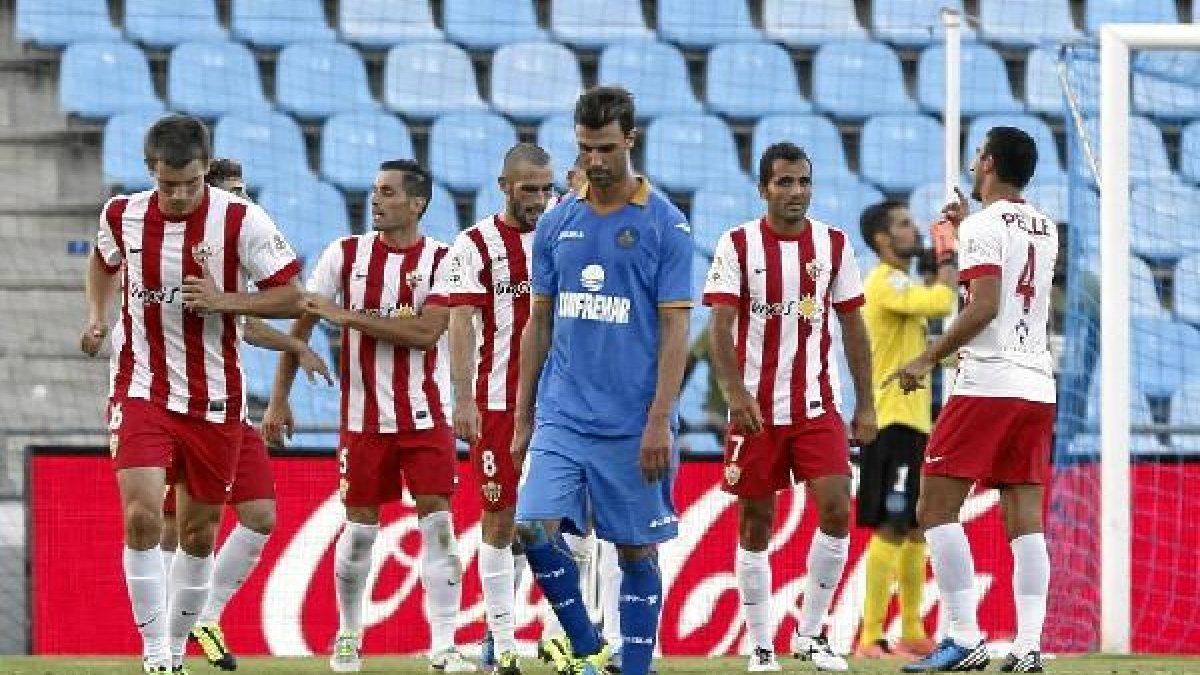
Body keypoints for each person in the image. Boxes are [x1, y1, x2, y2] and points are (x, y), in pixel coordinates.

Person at [80, 114, 303, 674]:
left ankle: (176, 650)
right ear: (150, 170)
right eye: (167, 184)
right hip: (140, 387)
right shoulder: (121, 214)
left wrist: (227, 301)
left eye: (191, 183)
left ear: (206, 168)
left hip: (216, 399)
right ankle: (156, 655)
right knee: (141, 518)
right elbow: (102, 262)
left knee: (199, 534)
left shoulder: (242, 221)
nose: (179, 196)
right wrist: (96, 316)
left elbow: (292, 298)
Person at [263, 159, 475, 673]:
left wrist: (349, 317)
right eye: (374, 191)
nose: (374, 200)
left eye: (387, 192)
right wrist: (277, 399)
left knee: (440, 529)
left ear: (417, 203)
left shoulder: (445, 261)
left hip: (426, 418)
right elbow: (305, 322)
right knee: (359, 533)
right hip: (362, 422)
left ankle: (443, 645)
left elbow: (428, 333)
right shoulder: (344, 255)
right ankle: (348, 636)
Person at [510, 86, 692, 675]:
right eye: (586, 148)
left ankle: (635, 666)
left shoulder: (665, 225)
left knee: (636, 551)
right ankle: (587, 644)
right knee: (531, 529)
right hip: (563, 414)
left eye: (606, 148)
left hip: (632, 420)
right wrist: (523, 417)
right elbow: (538, 323)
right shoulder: (559, 220)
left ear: (630, 141)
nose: (595, 160)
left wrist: (660, 418)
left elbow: (674, 331)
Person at [702, 142, 877, 673]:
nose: (796, 192)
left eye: (803, 181)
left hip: (816, 404)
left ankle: (812, 632)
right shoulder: (736, 245)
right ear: (763, 189)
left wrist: (866, 404)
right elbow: (719, 328)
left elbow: (852, 326)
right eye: (784, 182)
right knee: (756, 522)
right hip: (755, 410)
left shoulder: (834, 244)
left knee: (836, 509)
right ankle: (760, 644)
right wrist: (735, 393)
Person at [154, 159, 334, 671]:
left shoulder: (243, 243)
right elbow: (243, 323)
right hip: (177, 405)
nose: (243, 198)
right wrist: (294, 348)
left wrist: (292, 352)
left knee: (260, 517)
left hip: (228, 407)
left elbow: (248, 320)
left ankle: (204, 616)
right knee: (175, 527)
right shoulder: (183, 249)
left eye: (245, 189)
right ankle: (167, 644)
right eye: (231, 189)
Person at [890, 127, 1056, 674]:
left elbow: (984, 307)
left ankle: (964, 636)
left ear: (987, 162)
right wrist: (966, 231)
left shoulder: (985, 226)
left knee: (933, 508)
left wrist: (926, 358)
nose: (972, 158)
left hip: (988, 381)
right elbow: (1014, 285)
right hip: (1036, 384)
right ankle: (1029, 646)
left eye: (978, 151)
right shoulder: (1044, 225)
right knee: (1024, 517)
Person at [443, 143, 557, 675]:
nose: (538, 198)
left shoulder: (567, 233)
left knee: (567, 524)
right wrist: (462, 395)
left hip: (562, 404)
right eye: (528, 188)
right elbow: (461, 322)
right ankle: (503, 645)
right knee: (500, 519)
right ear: (504, 185)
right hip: (497, 403)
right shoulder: (474, 245)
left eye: (545, 187)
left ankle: (560, 641)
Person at [853, 201, 956, 659]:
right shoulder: (884, 281)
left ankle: (912, 631)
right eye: (902, 224)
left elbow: (923, 346)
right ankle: (869, 637)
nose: (912, 230)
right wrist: (949, 258)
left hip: (913, 422)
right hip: (889, 420)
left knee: (915, 528)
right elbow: (940, 300)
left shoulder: (901, 285)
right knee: (892, 526)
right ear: (881, 239)